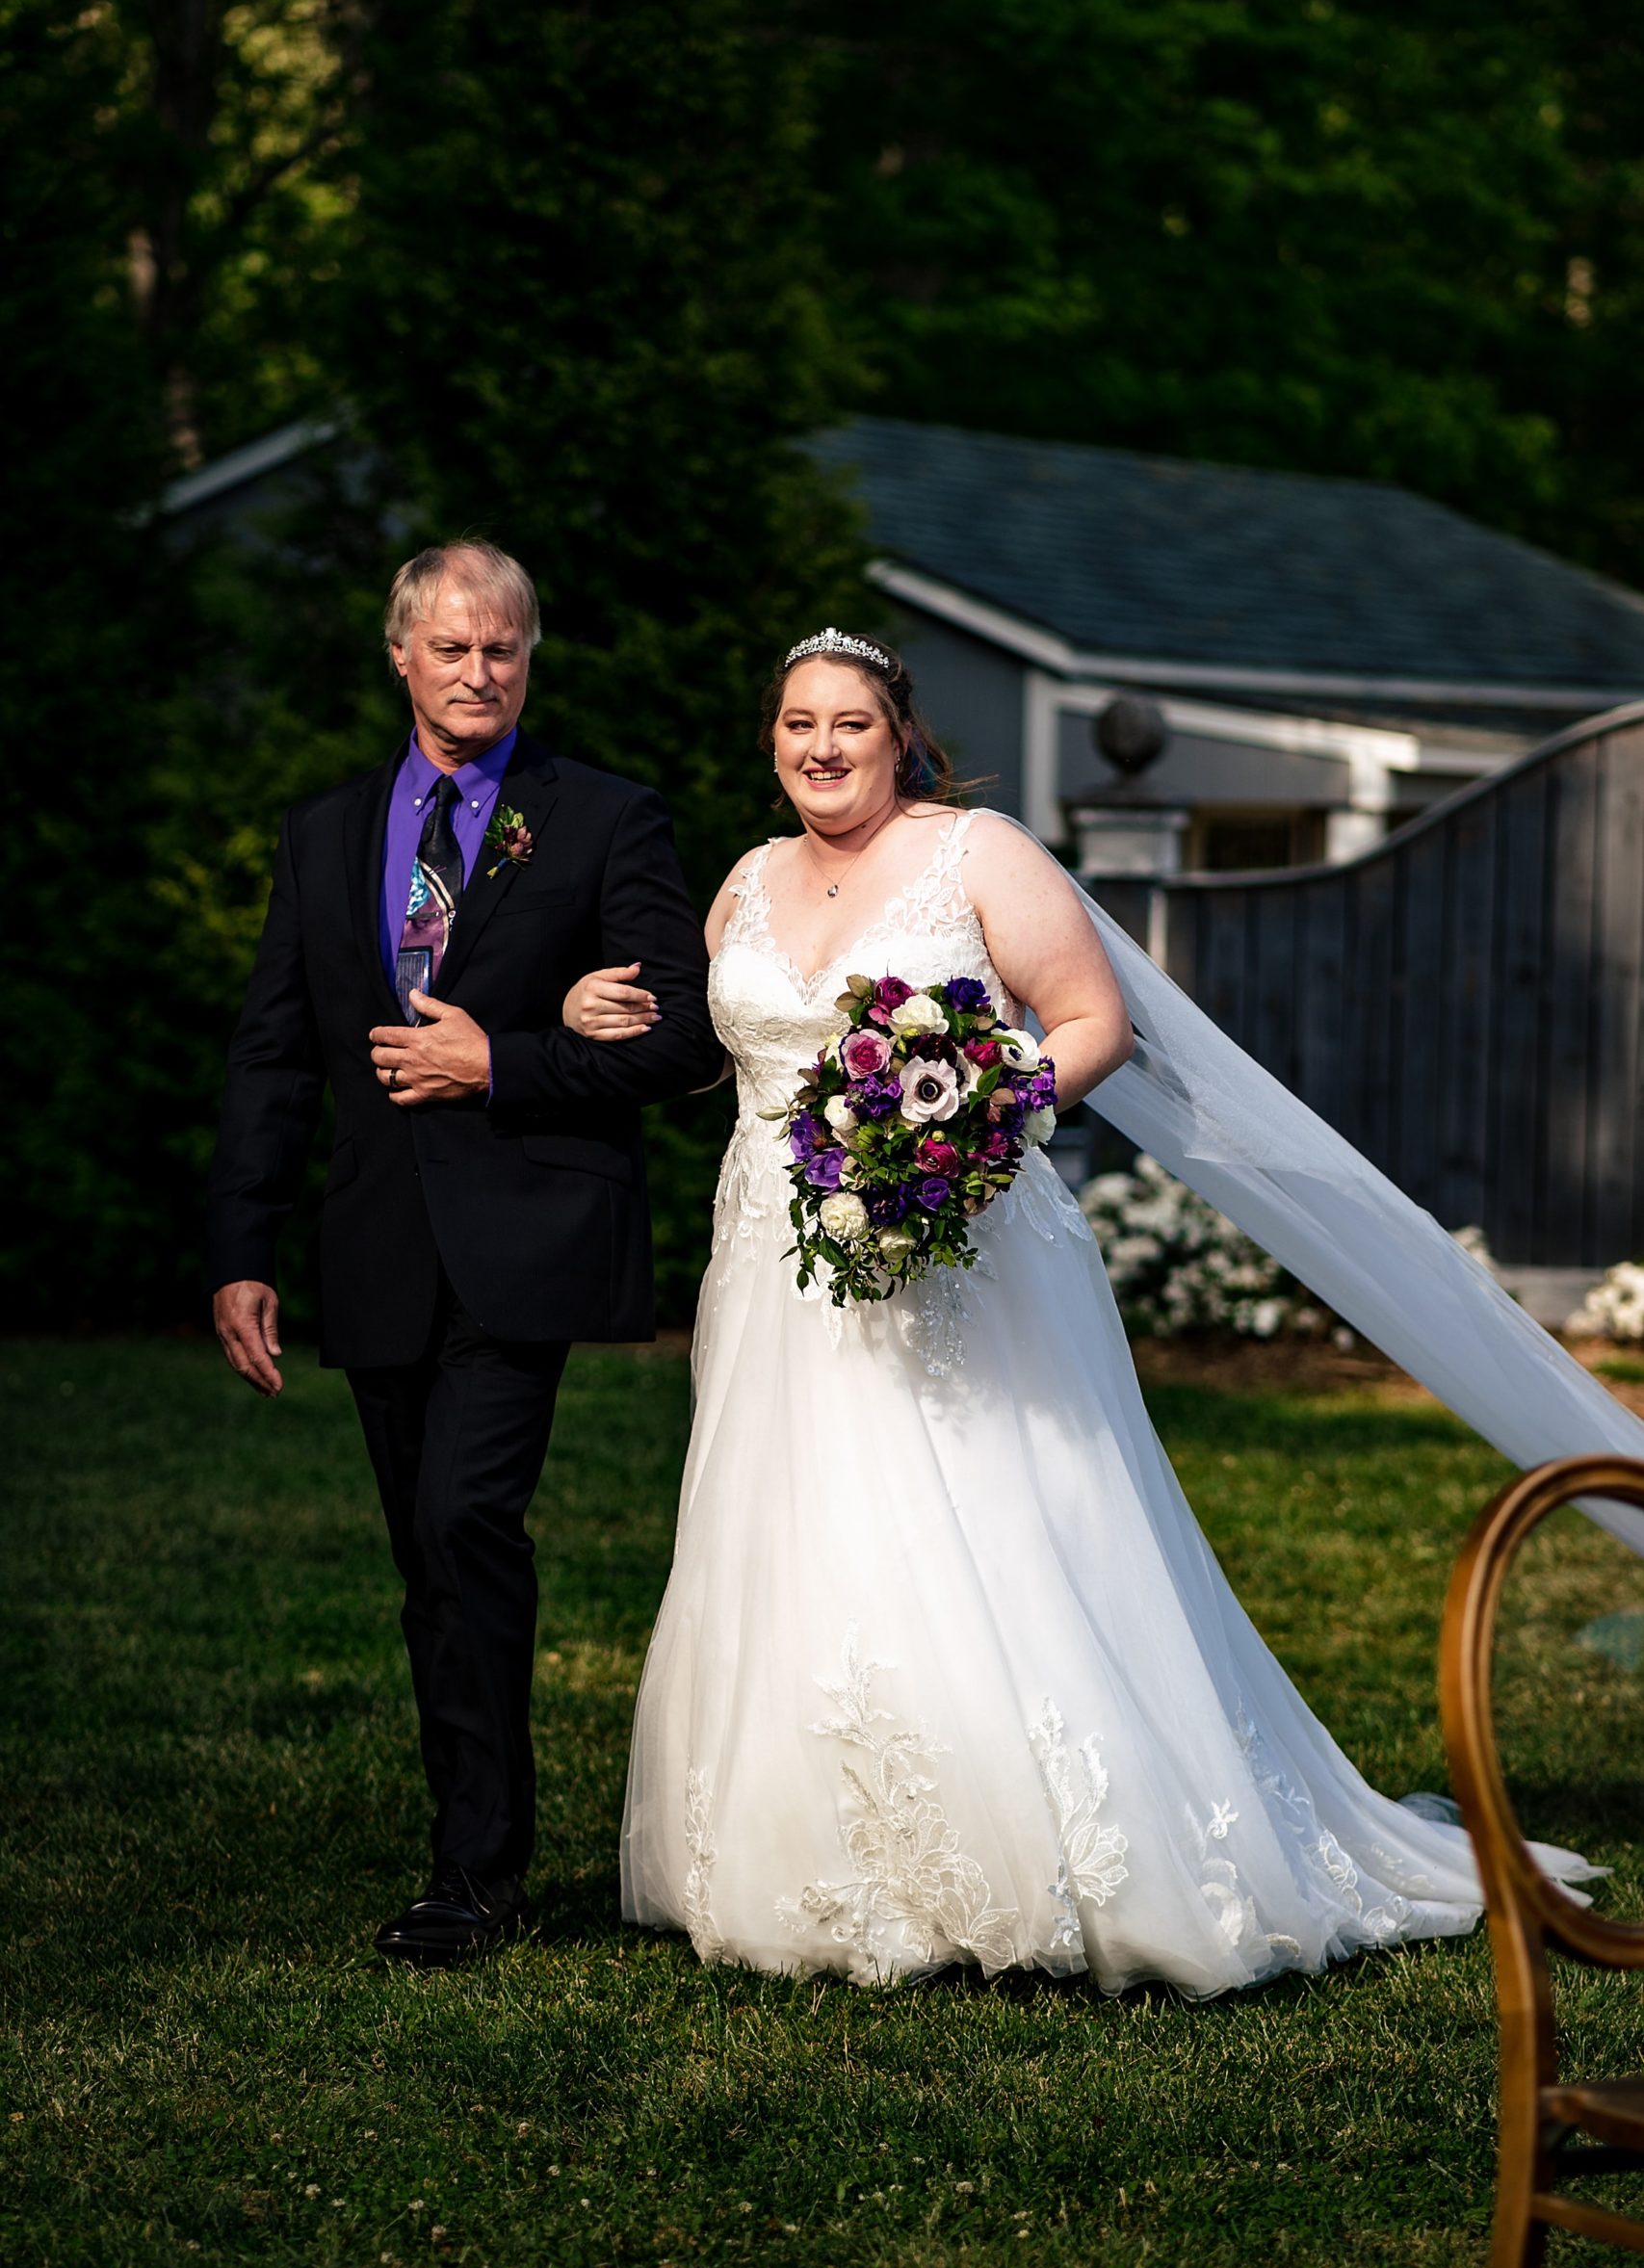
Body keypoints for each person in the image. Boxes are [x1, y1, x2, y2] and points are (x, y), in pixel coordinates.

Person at [560, 626, 1603, 1994]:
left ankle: (1043, 1854)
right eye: (798, 724)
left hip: (961, 1251)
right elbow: (720, 1055)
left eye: (849, 726)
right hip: (774, 1266)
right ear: (773, 741)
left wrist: (976, 1126)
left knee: (988, 1520)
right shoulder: (746, 883)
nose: (821, 747)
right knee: (794, 1522)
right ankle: (805, 1855)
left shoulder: (977, 854)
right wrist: (598, 1014)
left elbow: (1089, 1020)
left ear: (897, 734)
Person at [206, 541, 722, 1967]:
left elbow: (684, 1033)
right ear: (401, 656)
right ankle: (468, 1833)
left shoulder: (607, 819)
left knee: (464, 1523)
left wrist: (508, 1061)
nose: (479, 673)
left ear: (529, 656)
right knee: (422, 1563)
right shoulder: (323, 836)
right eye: (452, 649)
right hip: (374, 1242)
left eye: (503, 649)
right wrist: (240, 1245)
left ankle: (478, 1872)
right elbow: (272, 1054)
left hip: (525, 1241)